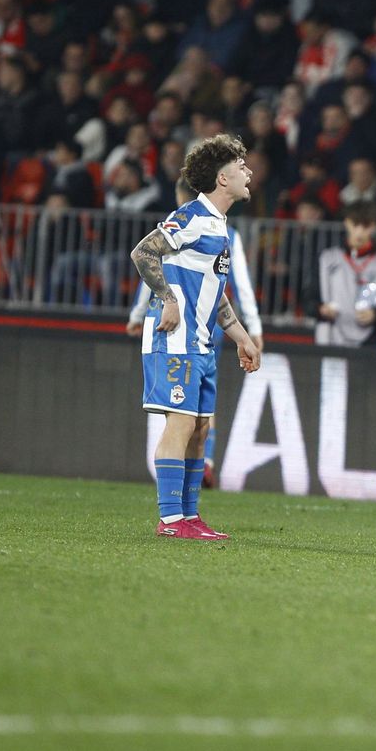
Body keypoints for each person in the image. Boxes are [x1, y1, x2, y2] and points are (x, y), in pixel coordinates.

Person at [129, 135, 262, 540]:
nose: (249, 172)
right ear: (222, 179)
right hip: (175, 338)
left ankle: (189, 516)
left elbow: (216, 294)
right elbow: (142, 253)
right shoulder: (190, 217)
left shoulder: (218, 227)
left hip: (201, 341)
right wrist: (166, 297)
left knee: (202, 427)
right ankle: (171, 520)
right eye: (241, 167)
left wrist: (241, 336)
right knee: (182, 425)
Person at [308, 202, 376, 347]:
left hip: (369, 344)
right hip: (328, 340)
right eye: (355, 224)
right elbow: (308, 298)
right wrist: (320, 309)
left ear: (373, 227)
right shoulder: (326, 259)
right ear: (347, 223)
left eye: (366, 226)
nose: (359, 232)